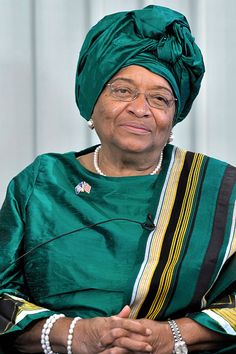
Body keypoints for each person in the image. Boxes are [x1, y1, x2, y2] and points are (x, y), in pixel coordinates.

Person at [0, 4, 235, 354]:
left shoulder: (220, 190)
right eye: (123, 90)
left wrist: (170, 336)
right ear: (92, 102)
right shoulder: (41, 183)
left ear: (173, 116)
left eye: (159, 98)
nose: (140, 108)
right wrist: (75, 335)